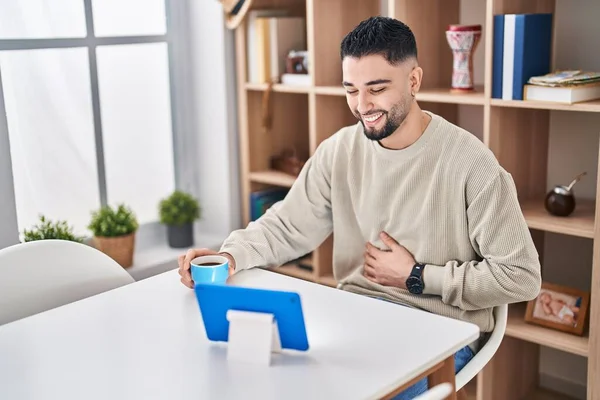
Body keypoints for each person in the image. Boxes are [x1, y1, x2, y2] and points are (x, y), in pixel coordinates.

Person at [178, 16, 542, 398]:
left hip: (439, 331)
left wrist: (417, 276)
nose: (361, 105)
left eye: (377, 89)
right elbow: (287, 226)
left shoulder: (472, 164)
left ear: (413, 81)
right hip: (354, 316)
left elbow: (521, 276)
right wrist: (230, 255)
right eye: (351, 90)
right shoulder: (340, 150)